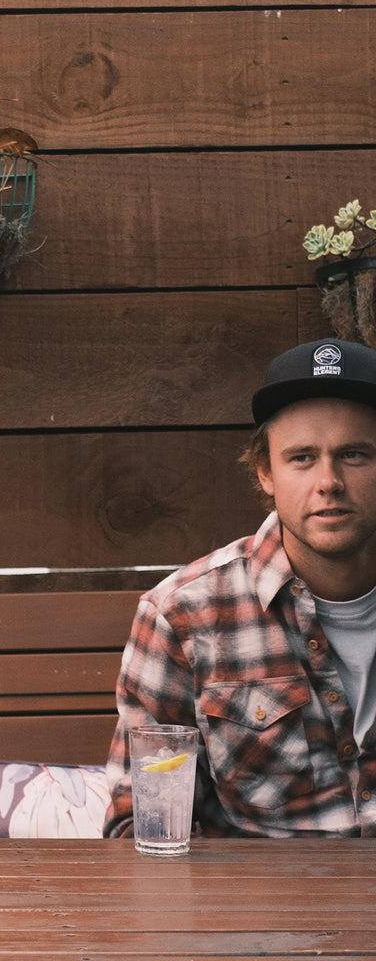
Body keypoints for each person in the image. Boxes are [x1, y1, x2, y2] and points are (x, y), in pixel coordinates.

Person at [105, 337, 376, 838]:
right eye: (302, 458)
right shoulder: (183, 615)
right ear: (265, 472)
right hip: (265, 888)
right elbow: (141, 826)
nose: (329, 481)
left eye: (354, 454)